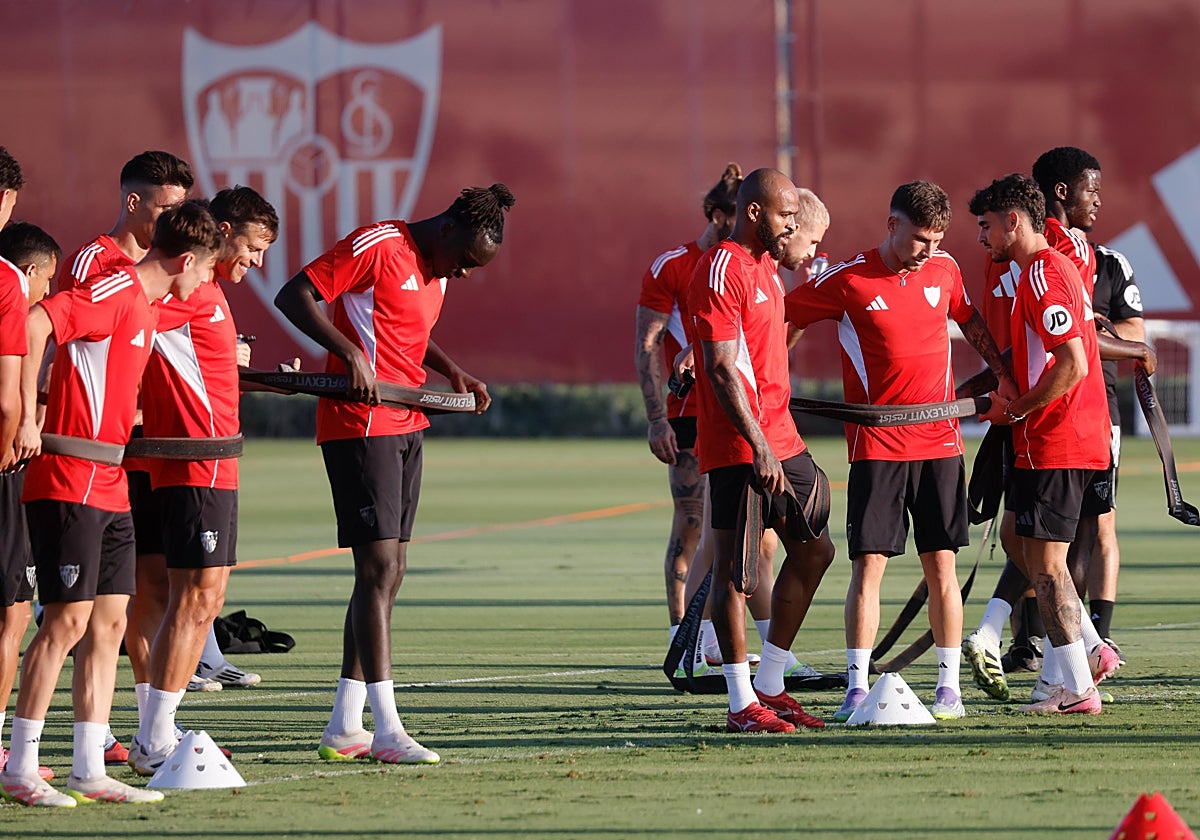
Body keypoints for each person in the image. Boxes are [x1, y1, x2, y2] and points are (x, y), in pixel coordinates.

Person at [274, 184, 513, 763]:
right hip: (360, 425)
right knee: (378, 567)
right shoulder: (379, 243)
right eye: (464, 262)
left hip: (407, 422)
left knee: (390, 571)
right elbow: (294, 295)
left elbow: (406, 332)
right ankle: (386, 728)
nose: (463, 275)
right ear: (449, 229)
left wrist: (455, 370)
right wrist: (347, 351)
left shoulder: (436, 271)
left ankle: (345, 724)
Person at [0, 202, 220, 806]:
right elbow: (39, 321)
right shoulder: (115, 290)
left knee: (109, 626)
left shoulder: (148, 306)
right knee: (66, 622)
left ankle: (88, 768)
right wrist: (23, 417)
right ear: (186, 261)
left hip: (112, 481)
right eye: (207, 272)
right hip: (68, 477)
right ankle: (20, 768)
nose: (208, 284)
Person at [784, 181, 1013, 722]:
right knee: (869, 567)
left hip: (940, 443)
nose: (929, 251)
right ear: (891, 226)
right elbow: (782, 320)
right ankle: (858, 690)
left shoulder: (946, 270)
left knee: (942, 567)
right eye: (919, 239)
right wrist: (758, 372)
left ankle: (949, 690)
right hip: (877, 446)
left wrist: (1001, 372)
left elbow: (969, 320)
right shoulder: (846, 281)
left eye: (937, 239)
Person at [963, 148, 1135, 701]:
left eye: (987, 226)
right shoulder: (1043, 270)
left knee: (1049, 567)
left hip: (1059, 440)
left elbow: (1073, 363)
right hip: (1058, 438)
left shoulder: (1041, 274)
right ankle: (1075, 673)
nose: (982, 237)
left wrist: (1019, 409)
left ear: (1014, 220)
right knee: (1033, 553)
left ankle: (1078, 683)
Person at [125, 188, 278, 776]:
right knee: (198, 598)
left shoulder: (208, 294)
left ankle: (153, 731)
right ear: (224, 230)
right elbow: (127, 318)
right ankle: (153, 738)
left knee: (183, 599)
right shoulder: (186, 289)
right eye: (255, 246)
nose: (257, 261)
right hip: (195, 465)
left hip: (205, 463)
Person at [687, 168, 834, 734]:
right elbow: (723, 369)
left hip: (781, 438)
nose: (791, 228)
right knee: (734, 574)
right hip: (738, 445)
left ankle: (771, 684)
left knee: (815, 551)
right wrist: (757, 446)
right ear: (754, 213)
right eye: (785, 217)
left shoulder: (766, 268)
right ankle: (740, 702)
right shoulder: (722, 267)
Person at [0, 221, 60, 784]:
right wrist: (18, 436)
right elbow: (5, 397)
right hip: (4, 468)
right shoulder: (9, 288)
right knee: (15, 609)